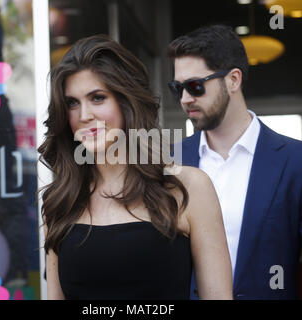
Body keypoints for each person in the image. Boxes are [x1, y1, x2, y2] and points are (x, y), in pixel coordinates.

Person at [38, 34, 233, 300]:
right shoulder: (59, 202)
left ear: (126, 102)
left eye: (97, 98)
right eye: (72, 103)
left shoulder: (187, 187)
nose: (84, 116)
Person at [167, 24, 302, 300]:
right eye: (178, 89)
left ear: (233, 80)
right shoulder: (168, 162)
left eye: (195, 86)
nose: (185, 99)